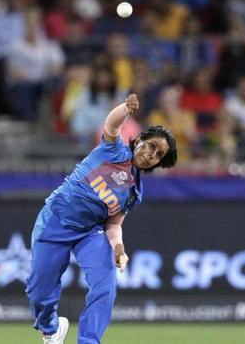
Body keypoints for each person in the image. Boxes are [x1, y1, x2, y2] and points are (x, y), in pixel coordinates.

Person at [26, 94, 178, 344]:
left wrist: (119, 248)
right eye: (151, 145)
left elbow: (114, 223)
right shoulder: (115, 150)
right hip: (56, 219)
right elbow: (112, 124)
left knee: (105, 287)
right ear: (139, 139)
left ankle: (89, 341)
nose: (152, 154)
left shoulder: (134, 192)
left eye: (159, 154)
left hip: (90, 232)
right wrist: (125, 109)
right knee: (39, 291)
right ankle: (51, 329)